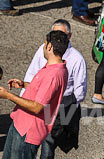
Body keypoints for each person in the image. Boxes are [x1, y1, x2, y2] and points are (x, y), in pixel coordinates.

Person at [0, 31, 68, 158]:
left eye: (44, 44)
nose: (43, 48)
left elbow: (37, 107)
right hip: (21, 124)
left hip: (27, 131)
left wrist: (8, 95)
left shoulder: (53, 75)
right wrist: (24, 85)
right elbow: (45, 92)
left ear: (49, 46)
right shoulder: (57, 68)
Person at [24, 20, 86, 158]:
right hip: (38, 102)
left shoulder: (77, 59)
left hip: (59, 107)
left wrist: (64, 110)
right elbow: (31, 74)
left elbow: (80, 92)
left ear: (69, 36)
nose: (57, 38)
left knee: (48, 143)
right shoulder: (44, 50)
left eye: (62, 35)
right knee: (29, 141)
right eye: (54, 35)